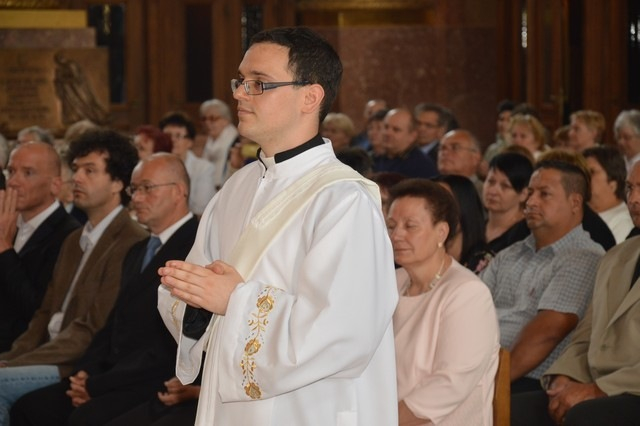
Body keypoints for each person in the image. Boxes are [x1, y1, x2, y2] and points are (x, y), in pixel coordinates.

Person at [157, 26, 398, 425]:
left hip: (308, 410)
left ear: (310, 97)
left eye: (259, 83)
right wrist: (194, 301)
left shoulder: (343, 201)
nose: (240, 94)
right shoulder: (236, 187)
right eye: (240, 81)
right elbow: (201, 291)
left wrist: (233, 300)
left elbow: (343, 330)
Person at [10, 153, 198, 426]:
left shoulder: (195, 246)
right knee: (30, 408)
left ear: (178, 191)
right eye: (134, 189)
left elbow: (167, 342)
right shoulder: (138, 250)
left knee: (83, 418)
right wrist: (85, 372)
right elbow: (111, 323)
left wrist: (97, 385)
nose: (137, 198)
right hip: (113, 373)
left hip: (154, 380)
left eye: (147, 188)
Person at [0, 129, 147, 425]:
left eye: (89, 171)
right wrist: (12, 357)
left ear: (118, 182)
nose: (77, 178)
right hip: (47, 354)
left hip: (75, 363)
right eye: (76, 169)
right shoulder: (74, 239)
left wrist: (18, 362)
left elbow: (92, 328)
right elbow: (44, 315)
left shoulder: (131, 241)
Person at [510, 160, 640, 426]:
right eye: (630, 188)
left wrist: (599, 389)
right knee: (513, 409)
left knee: (584, 416)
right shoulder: (616, 257)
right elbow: (587, 334)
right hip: (599, 381)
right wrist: (565, 377)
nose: (634, 199)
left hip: (632, 387)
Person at [481, 159, 605, 393]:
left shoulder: (584, 257)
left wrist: (489, 386)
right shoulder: (511, 254)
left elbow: (547, 334)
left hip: (524, 381)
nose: (531, 202)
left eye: (544, 194)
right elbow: (470, 308)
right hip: (476, 366)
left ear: (575, 202)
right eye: (530, 193)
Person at [387, 179, 499, 425]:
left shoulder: (467, 293)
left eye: (410, 226)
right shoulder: (392, 282)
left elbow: (450, 383)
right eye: (392, 226)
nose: (396, 235)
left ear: (441, 232)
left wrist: (381, 420)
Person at [0, 142, 80, 352]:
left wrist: (5, 249)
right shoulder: (6, 222)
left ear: (55, 185)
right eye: (11, 171)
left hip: (24, 350)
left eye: (28, 173)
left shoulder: (69, 235)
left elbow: (38, 310)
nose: (13, 182)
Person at [159, 112, 217, 216]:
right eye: (168, 136)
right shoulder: (156, 167)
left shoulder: (204, 168)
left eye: (178, 136)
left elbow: (201, 209)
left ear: (190, 142)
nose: (172, 140)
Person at [435, 174, 489, 273]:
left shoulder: (487, 263)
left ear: (466, 207)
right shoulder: (422, 256)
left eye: (443, 203)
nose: (436, 211)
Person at [483, 152, 533, 255]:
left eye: (505, 186)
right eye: (491, 182)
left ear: (523, 194)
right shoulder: (475, 226)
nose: (493, 191)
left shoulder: (527, 235)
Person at [583, 146, 633, 244]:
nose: (584, 177)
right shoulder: (579, 214)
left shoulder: (624, 223)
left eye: (592, 172)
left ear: (613, 184)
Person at [374, 107, 438, 178]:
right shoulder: (374, 157)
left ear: (412, 136)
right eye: (386, 127)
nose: (388, 133)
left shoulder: (422, 166)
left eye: (396, 130)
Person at [200, 99, 239, 189]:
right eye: (204, 119)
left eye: (212, 118)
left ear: (226, 120)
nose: (207, 123)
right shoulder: (209, 140)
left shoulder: (236, 142)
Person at [438, 129, 483, 195]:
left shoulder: (484, 193)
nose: (445, 152)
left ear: (475, 158)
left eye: (455, 148)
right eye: (442, 148)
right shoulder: (430, 190)